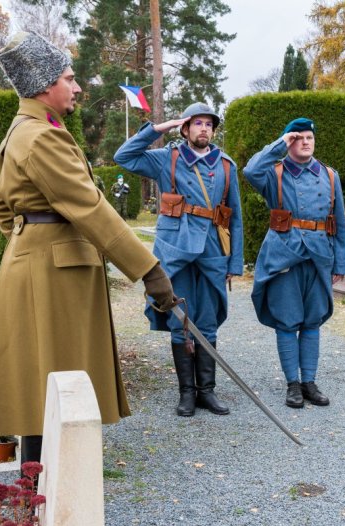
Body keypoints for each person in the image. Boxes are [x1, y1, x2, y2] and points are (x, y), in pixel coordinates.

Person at [0, 31, 177, 468]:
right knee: (57, 384)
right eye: (69, 79)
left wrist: (27, 243)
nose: (76, 87)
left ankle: (38, 486)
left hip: (38, 266)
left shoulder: (25, 130)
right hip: (54, 275)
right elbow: (89, 207)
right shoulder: (41, 137)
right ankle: (49, 489)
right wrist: (149, 270)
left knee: (43, 383)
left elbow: (2, 210)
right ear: (43, 85)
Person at [114, 102, 243, 417]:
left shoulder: (226, 166)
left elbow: (235, 217)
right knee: (180, 321)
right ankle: (187, 393)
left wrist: (234, 262)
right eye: (197, 123)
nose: (203, 129)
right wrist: (158, 129)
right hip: (176, 250)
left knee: (209, 321)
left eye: (208, 124)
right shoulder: (167, 159)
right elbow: (124, 157)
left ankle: (207, 393)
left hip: (213, 250)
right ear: (185, 129)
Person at [243, 118, 345, 408]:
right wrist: (280, 144)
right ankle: (292, 384)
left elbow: (338, 220)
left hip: (318, 256)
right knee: (288, 321)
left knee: (313, 320)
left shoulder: (329, 176)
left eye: (309, 137)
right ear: (289, 141)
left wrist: (341, 262)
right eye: (297, 137)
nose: (305, 142)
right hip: (284, 255)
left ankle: (309, 382)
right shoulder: (273, 173)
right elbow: (250, 169)